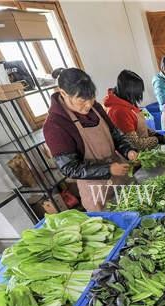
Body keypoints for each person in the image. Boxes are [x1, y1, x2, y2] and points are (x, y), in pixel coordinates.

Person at [43, 68, 137, 212]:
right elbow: (69, 167)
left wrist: (128, 150)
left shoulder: (96, 108)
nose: (88, 105)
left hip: (120, 175)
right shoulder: (55, 125)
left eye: (91, 98)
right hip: (96, 189)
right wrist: (108, 169)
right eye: (82, 100)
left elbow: (116, 135)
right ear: (63, 93)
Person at [104, 70, 163, 151]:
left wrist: (154, 133)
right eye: (137, 93)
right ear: (129, 92)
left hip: (147, 150)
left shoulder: (127, 101)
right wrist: (157, 140)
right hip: (137, 156)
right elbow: (135, 144)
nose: (139, 96)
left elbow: (139, 126)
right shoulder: (119, 112)